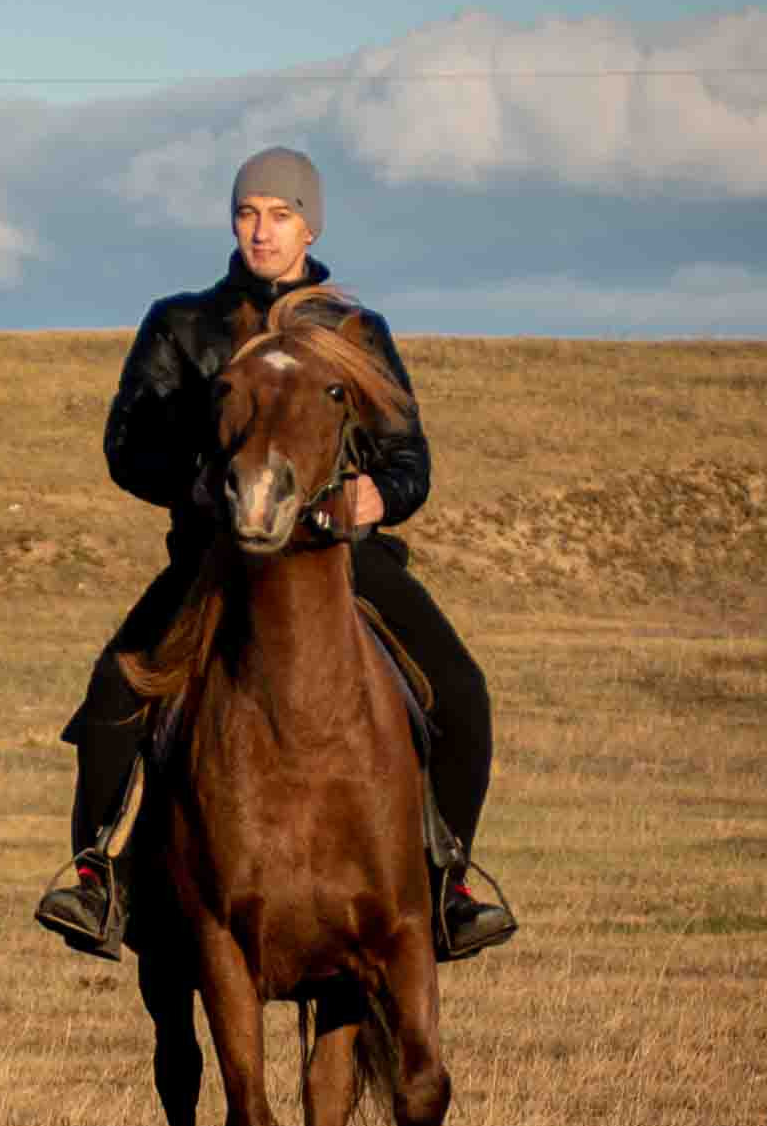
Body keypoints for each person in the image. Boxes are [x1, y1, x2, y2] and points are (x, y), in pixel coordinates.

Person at [33, 146, 514, 962]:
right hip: (215, 559)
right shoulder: (180, 325)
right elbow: (127, 445)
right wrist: (199, 485)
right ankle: (97, 873)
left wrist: (380, 496)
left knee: (462, 691)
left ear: (310, 225)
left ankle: (449, 883)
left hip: (338, 560)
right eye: (249, 213)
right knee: (116, 684)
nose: (263, 230)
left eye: (281, 214)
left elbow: (410, 458)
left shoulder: (356, 334)